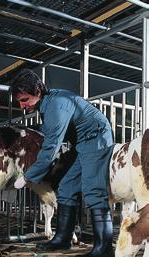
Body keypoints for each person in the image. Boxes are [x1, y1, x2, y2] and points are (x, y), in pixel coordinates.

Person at [11, 69, 114, 257]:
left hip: (96, 138)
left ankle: (104, 249)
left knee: (93, 190)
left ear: (38, 91)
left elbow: (50, 149)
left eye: (24, 100)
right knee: (66, 187)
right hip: (81, 142)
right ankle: (63, 238)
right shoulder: (47, 104)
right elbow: (51, 128)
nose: (21, 106)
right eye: (19, 102)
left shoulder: (57, 105)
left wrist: (27, 177)